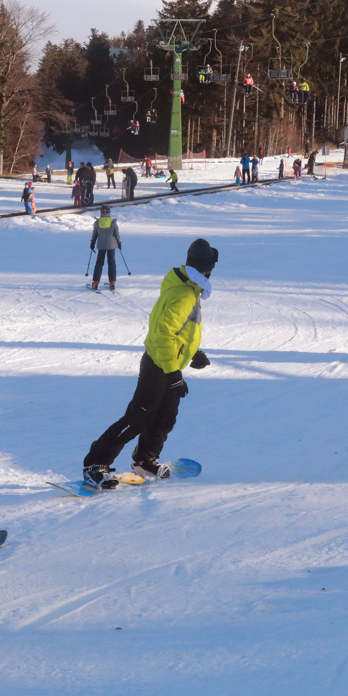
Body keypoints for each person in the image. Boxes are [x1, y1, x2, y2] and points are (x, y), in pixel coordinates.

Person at [82, 239, 218, 489]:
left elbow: (180, 330)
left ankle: (145, 459)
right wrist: (174, 372)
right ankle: (95, 463)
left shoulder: (188, 287)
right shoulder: (184, 294)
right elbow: (163, 334)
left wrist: (193, 352)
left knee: (165, 417)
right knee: (138, 418)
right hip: (159, 365)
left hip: (168, 363)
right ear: (207, 269)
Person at [89, 205, 122, 291]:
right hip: (112, 245)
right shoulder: (113, 222)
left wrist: (92, 243)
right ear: (109, 212)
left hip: (101, 245)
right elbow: (116, 234)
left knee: (99, 263)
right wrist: (119, 243)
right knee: (111, 263)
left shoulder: (97, 223)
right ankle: (112, 282)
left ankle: (95, 283)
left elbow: (95, 234)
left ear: (101, 212)